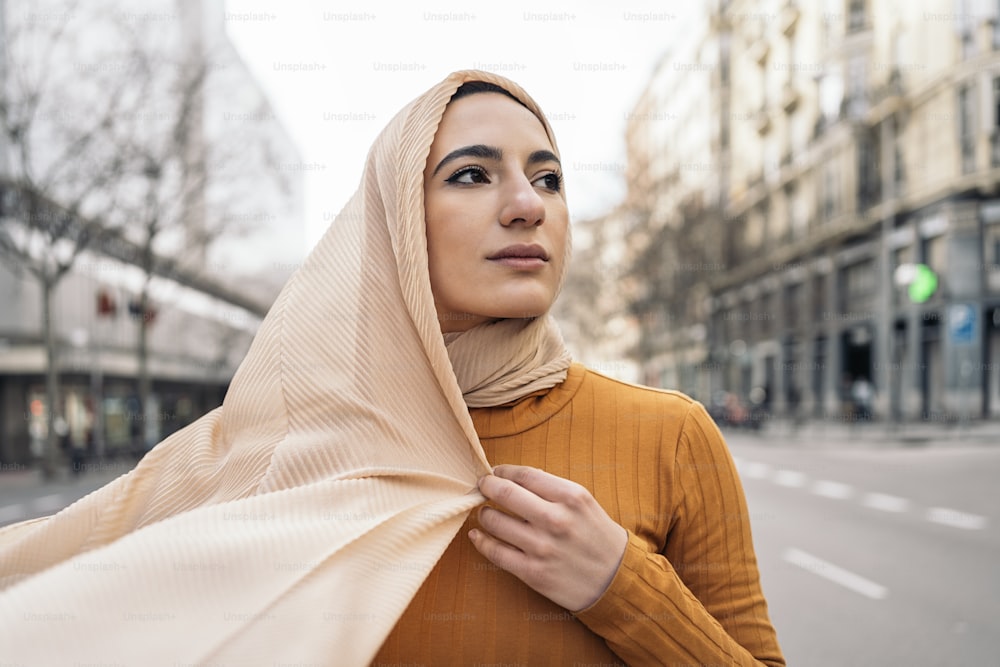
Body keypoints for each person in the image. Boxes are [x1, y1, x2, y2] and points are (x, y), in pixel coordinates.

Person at [0, 71, 783, 666]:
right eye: (473, 174)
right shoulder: (286, 445)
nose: (527, 204)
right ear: (397, 223)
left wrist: (621, 586)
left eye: (548, 178)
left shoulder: (669, 434)